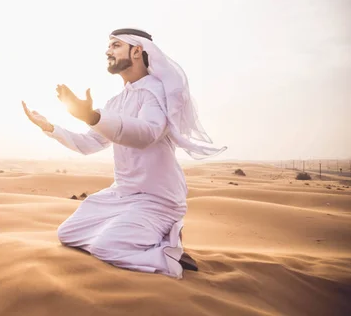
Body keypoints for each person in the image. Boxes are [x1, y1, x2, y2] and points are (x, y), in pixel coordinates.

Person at [21, 28, 226, 279]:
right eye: (109, 46)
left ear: (137, 51)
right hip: (122, 195)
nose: (108, 51)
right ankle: (144, 237)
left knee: (105, 247)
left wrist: (92, 116)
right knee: (68, 233)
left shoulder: (157, 93)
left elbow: (146, 134)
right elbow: (90, 144)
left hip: (158, 199)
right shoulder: (116, 102)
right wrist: (50, 128)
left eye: (116, 45)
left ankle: (169, 251)